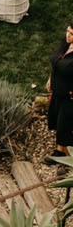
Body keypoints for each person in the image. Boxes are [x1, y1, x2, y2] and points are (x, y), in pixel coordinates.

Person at [46, 24, 73, 157]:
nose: (68, 35)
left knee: (64, 122)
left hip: (69, 95)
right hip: (57, 89)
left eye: (72, 34)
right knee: (56, 118)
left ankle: (60, 152)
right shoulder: (65, 44)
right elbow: (56, 62)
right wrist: (50, 78)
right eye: (67, 31)